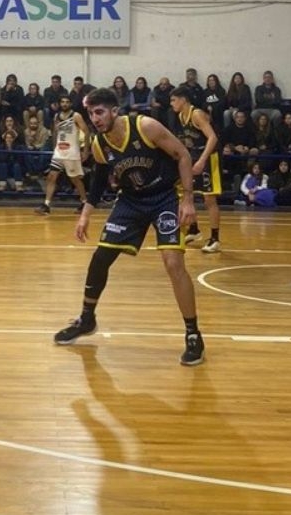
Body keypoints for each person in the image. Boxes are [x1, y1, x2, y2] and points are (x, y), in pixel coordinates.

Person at [53, 88, 205, 366]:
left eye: (100, 112)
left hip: (165, 197)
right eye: (91, 113)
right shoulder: (99, 143)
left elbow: (183, 155)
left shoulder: (145, 126)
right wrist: (85, 214)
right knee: (100, 257)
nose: (95, 118)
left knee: (173, 263)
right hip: (131, 201)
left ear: (114, 111)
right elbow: (99, 182)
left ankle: (193, 334)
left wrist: (188, 199)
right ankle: (87, 319)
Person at [172, 86, 222, 253]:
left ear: (183, 99)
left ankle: (215, 239)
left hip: (208, 157)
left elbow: (213, 138)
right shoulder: (181, 116)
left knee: (209, 199)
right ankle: (193, 229)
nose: (171, 103)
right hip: (194, 156)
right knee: (187, 193)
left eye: (173, 100)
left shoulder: (197, 114)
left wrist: (202, 160)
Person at [35, 95, 87, 215]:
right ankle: (46, 205)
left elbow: (86, 131)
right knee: (51, 176)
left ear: (71, 104)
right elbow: (55, 132)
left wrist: (85, 150)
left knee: (75, 179)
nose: (64, 104)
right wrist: (55, 147)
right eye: (62, 102)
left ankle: (85, 202)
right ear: (59, 104)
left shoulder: (76, 116)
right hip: (59, 151)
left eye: (67, 102)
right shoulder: (56, 116)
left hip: (72, 152)